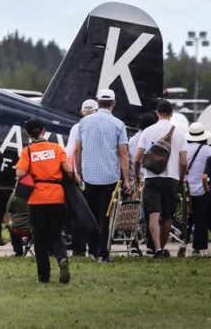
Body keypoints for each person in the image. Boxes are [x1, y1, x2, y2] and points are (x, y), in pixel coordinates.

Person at [16, 118, 78, 284]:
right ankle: (62, 258)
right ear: (44, 131)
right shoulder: (56, 148)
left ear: (28, 135)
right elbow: (68, 170)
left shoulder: (28, 151)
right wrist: (78, 180)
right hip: (57, 197)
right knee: (55, 235)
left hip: (37, 199)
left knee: (40, 238)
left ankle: (43, 277)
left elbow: (20, 173)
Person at [75, 89, 131, 262]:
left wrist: (79, 172)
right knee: (105, 216)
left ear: (97, 103)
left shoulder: (83, 122)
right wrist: (127, 180)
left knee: (91, 216)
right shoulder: (119, 124)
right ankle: (102, 253)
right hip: (110, 178)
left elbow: (77, 149)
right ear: (114, 104)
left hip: (88, 176)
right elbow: (123, 154)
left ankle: (92, 251)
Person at [134, 100, 188, 258]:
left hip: (152, 178)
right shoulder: (180, 134)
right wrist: (181, 179)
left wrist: (137, 176)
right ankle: (162, 248)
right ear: (172, 114)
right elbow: (184, 162)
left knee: (154, 214)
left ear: (157, 113)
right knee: (168, 216)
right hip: (172, 179)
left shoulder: (147, 132)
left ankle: (157, 248)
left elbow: (137, 159)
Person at [64, 99, 98, 256]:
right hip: (96, 175)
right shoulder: (99, 127)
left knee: (77, 212)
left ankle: (79, 248)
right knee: (95, 212)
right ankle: (95, 248)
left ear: (82, 112)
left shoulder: (77, 127)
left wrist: (75, 173)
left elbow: (71, 151)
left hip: (77, 175)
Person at [184, 123, 211, 257]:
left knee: (185, 219)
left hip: (186, 190)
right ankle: (197, 249)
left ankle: (183, 244)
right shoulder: (208, 150)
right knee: (201, 219)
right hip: (202, 189)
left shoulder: (184, 148)